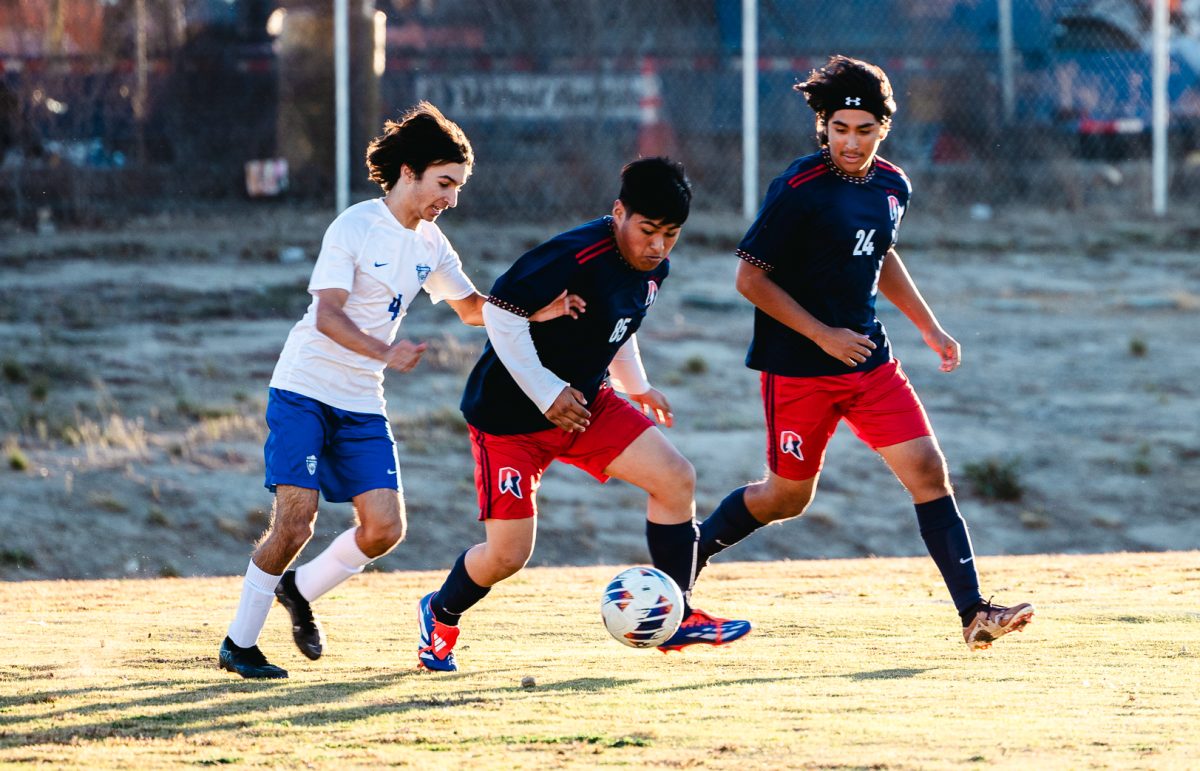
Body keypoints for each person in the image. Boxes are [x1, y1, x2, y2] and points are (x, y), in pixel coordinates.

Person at [218, 102, 581, 679]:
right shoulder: (355, 226)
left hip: (362, 399)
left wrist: (542, 311)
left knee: (386, 528)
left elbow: (470, 309)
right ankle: (239, 644)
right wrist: (387, 352)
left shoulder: (432, 244)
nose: (452, 198)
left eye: (458, 186)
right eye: (444, 183)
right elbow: (326, 317)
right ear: (408, 172)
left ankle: (300, 590)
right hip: (304, 389)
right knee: (296, 521)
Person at [694, 56, 1033, 652]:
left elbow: (881, 254)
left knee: (929, 472)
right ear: (823, 125)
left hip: (870, 363)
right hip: (798, 370)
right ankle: (687, 553)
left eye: (865, 130)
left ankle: (973, 613)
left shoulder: (893, 184)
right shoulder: (798, 188)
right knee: (786, 498)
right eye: (840, 129)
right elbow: (749, 279)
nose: (852, 142)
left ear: (884, 129)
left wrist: (929, 326)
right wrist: (822, 335)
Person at [415, 157, 751, 672]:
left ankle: (678, 615)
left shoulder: (653, 267)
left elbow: (618, 327)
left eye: (671, 234)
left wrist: (636, 386)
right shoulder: (573, 253)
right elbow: (501, 313)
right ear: (619, 212)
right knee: (507, 555)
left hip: (586, 405)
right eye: (648, 231)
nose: (658, 246)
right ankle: (439, 613)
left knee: (675, 478)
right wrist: (547, 392)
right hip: (509, 420)